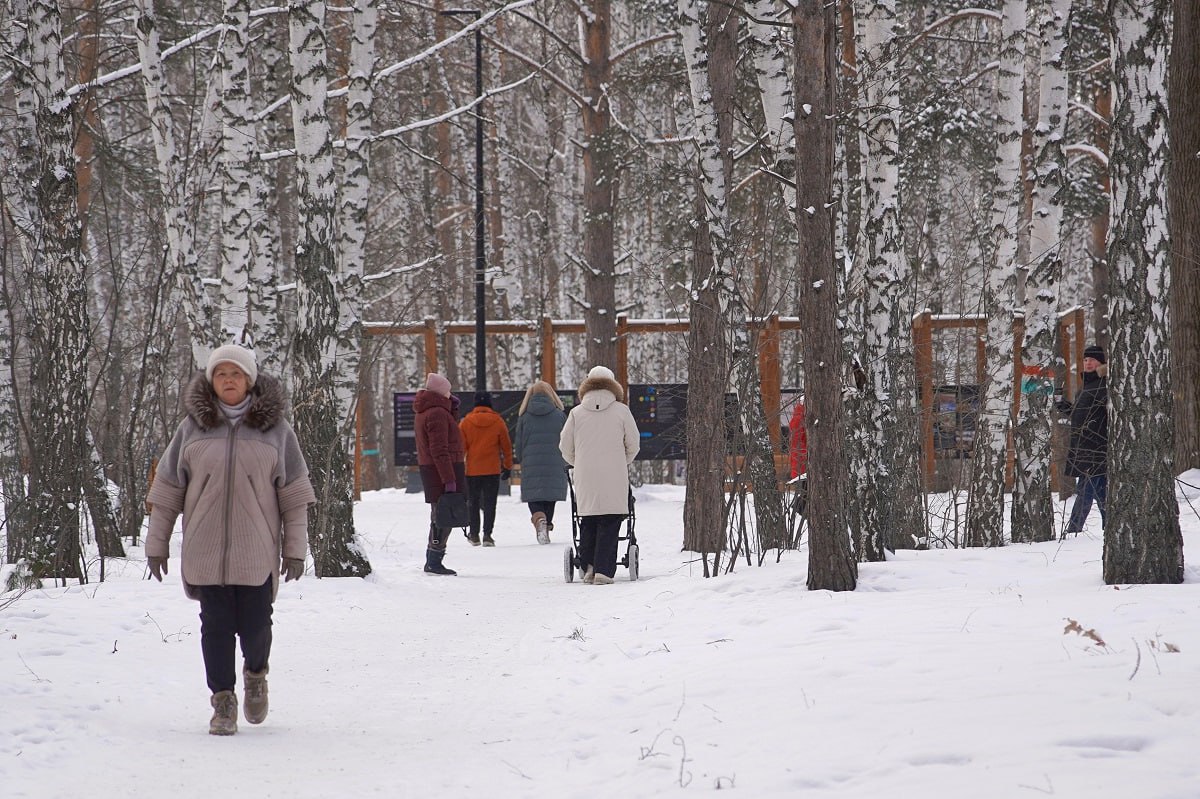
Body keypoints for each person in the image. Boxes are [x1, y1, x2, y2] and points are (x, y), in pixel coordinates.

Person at [145, 344, 316, 736]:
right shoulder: (191, 429)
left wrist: (295, 550)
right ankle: (223, 701)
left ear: (249, 380)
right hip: (206, 551)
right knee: (215, 628)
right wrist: (156, 544)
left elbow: (294, 496)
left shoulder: (276, 432)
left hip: (255, 553)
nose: (228, 380)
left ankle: (256, 674)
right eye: (220, 374)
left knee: (257, 626)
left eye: (235, 374)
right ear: (211, 380)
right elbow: (167, 490)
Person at [559, 365, 640, 585]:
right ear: (613, 385)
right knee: (611, 519)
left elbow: (565, 447)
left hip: (585, 476)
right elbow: (633, 445)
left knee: (588, 519)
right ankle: (604, 571)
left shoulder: (576, 413)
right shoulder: (622, 411)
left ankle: (588, 567)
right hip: (614, 476)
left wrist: (581, 463)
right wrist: (618, 462)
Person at [414, 372, 465, 574]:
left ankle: (434, 557)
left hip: (434, 470)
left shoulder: (428, 411)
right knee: (443, 516)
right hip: (442, 471)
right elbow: (439, 449)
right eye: (448, 391)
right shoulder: (436, 413)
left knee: (441, 515)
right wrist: (449, 479)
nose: (450, 395)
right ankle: (434, 559)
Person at [1056, 344, 1108, 536]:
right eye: (1085, 360)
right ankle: (1104, 528)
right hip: (1085, 449)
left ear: (1101, 363)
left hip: (1097, 449)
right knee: (1095, 492)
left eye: (1092, 360)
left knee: (1089, 491)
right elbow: (1081, 415)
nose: (1088, 363)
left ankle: (1074, 531)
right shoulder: (1086, 387)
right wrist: (1062, 405)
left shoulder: (1104, 385)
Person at [514, 381, 569, 544]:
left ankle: (539, 519)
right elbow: (566, 440)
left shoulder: (524, 416)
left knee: (534, 495)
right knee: (550, 495)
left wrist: (521, 458)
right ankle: (547, 523)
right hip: (555, 462)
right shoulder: (560, 415)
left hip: (531, 461)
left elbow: (519, 442)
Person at [459, 391, 513, 546]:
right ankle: (488, 535)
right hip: (492, 470)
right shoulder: (498, 421)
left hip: (472, 470)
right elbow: (506, 447)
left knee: (473, 502)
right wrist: (507, 466)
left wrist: (459, 468)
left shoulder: (466, 422)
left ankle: (474, 535)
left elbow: (461, 448)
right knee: (490, 503)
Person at [787, 396, 808, 517]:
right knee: (807, 493)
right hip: (803, 464)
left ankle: (796, 513)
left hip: (801, 463)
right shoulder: (801, 416)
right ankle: (796, 513)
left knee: (806, 493)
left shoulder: (799, 415)